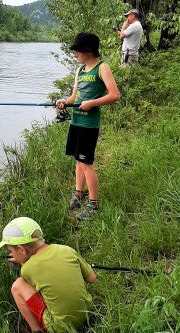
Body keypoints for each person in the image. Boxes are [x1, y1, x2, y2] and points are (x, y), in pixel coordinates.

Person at [0, 216, 96, 333]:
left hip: (61, 327)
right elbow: (92, 278)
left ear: (21, 250)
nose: (10, 254)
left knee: (17, 286)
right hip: (87, 313)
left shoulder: (27, 269)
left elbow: (32, 276)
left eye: (10, 251)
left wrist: (23, 263)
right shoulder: (67, 250)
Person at [56, 33, 120, 220]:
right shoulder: (80, 70)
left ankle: (93, 204)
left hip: (89, 125)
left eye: (78, 50)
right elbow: (74, 97)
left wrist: (92, 103)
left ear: (88, 51)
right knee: (78, 160)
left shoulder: (102, 68)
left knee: (86, 163)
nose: (75, 53)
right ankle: (78, 193)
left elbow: (115, 95)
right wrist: (64, 102)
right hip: (76, 121)